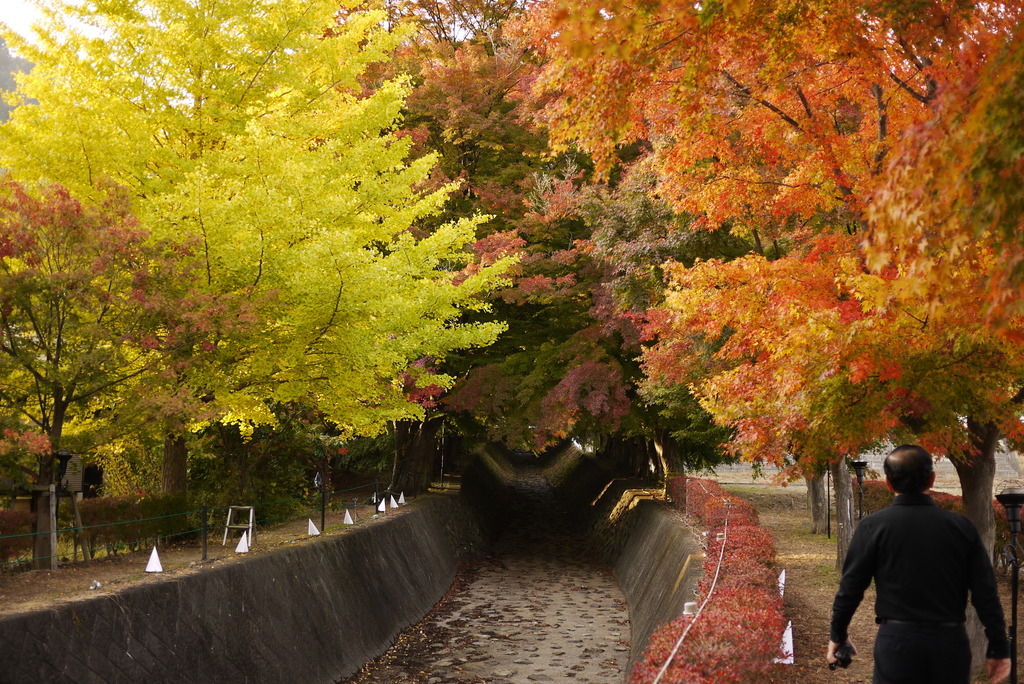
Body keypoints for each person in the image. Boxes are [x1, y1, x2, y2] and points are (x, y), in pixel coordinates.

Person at [827, 444, 1012, 683]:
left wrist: (838, 634)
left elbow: (850, 589)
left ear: (888, 483)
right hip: (950, 643)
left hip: (897, 642)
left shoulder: (873, 526)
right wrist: (998, 646)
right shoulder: (961, 527)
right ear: (932, 479)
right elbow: (985, 592)